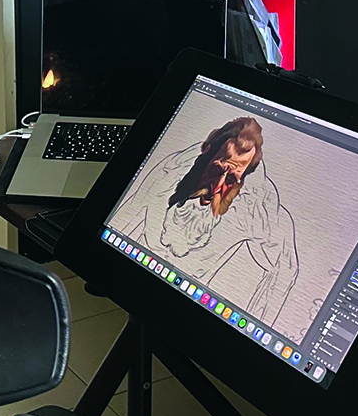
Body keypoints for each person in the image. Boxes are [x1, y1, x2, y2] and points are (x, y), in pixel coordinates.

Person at [108, 116, 298, 323]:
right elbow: (124, 219)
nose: (217, 188)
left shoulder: (257, 208)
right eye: (217, 170)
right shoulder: (169, 173)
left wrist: (250, 330)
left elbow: (286, 269)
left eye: (233, 179)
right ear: (206, 152)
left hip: (185, 310)